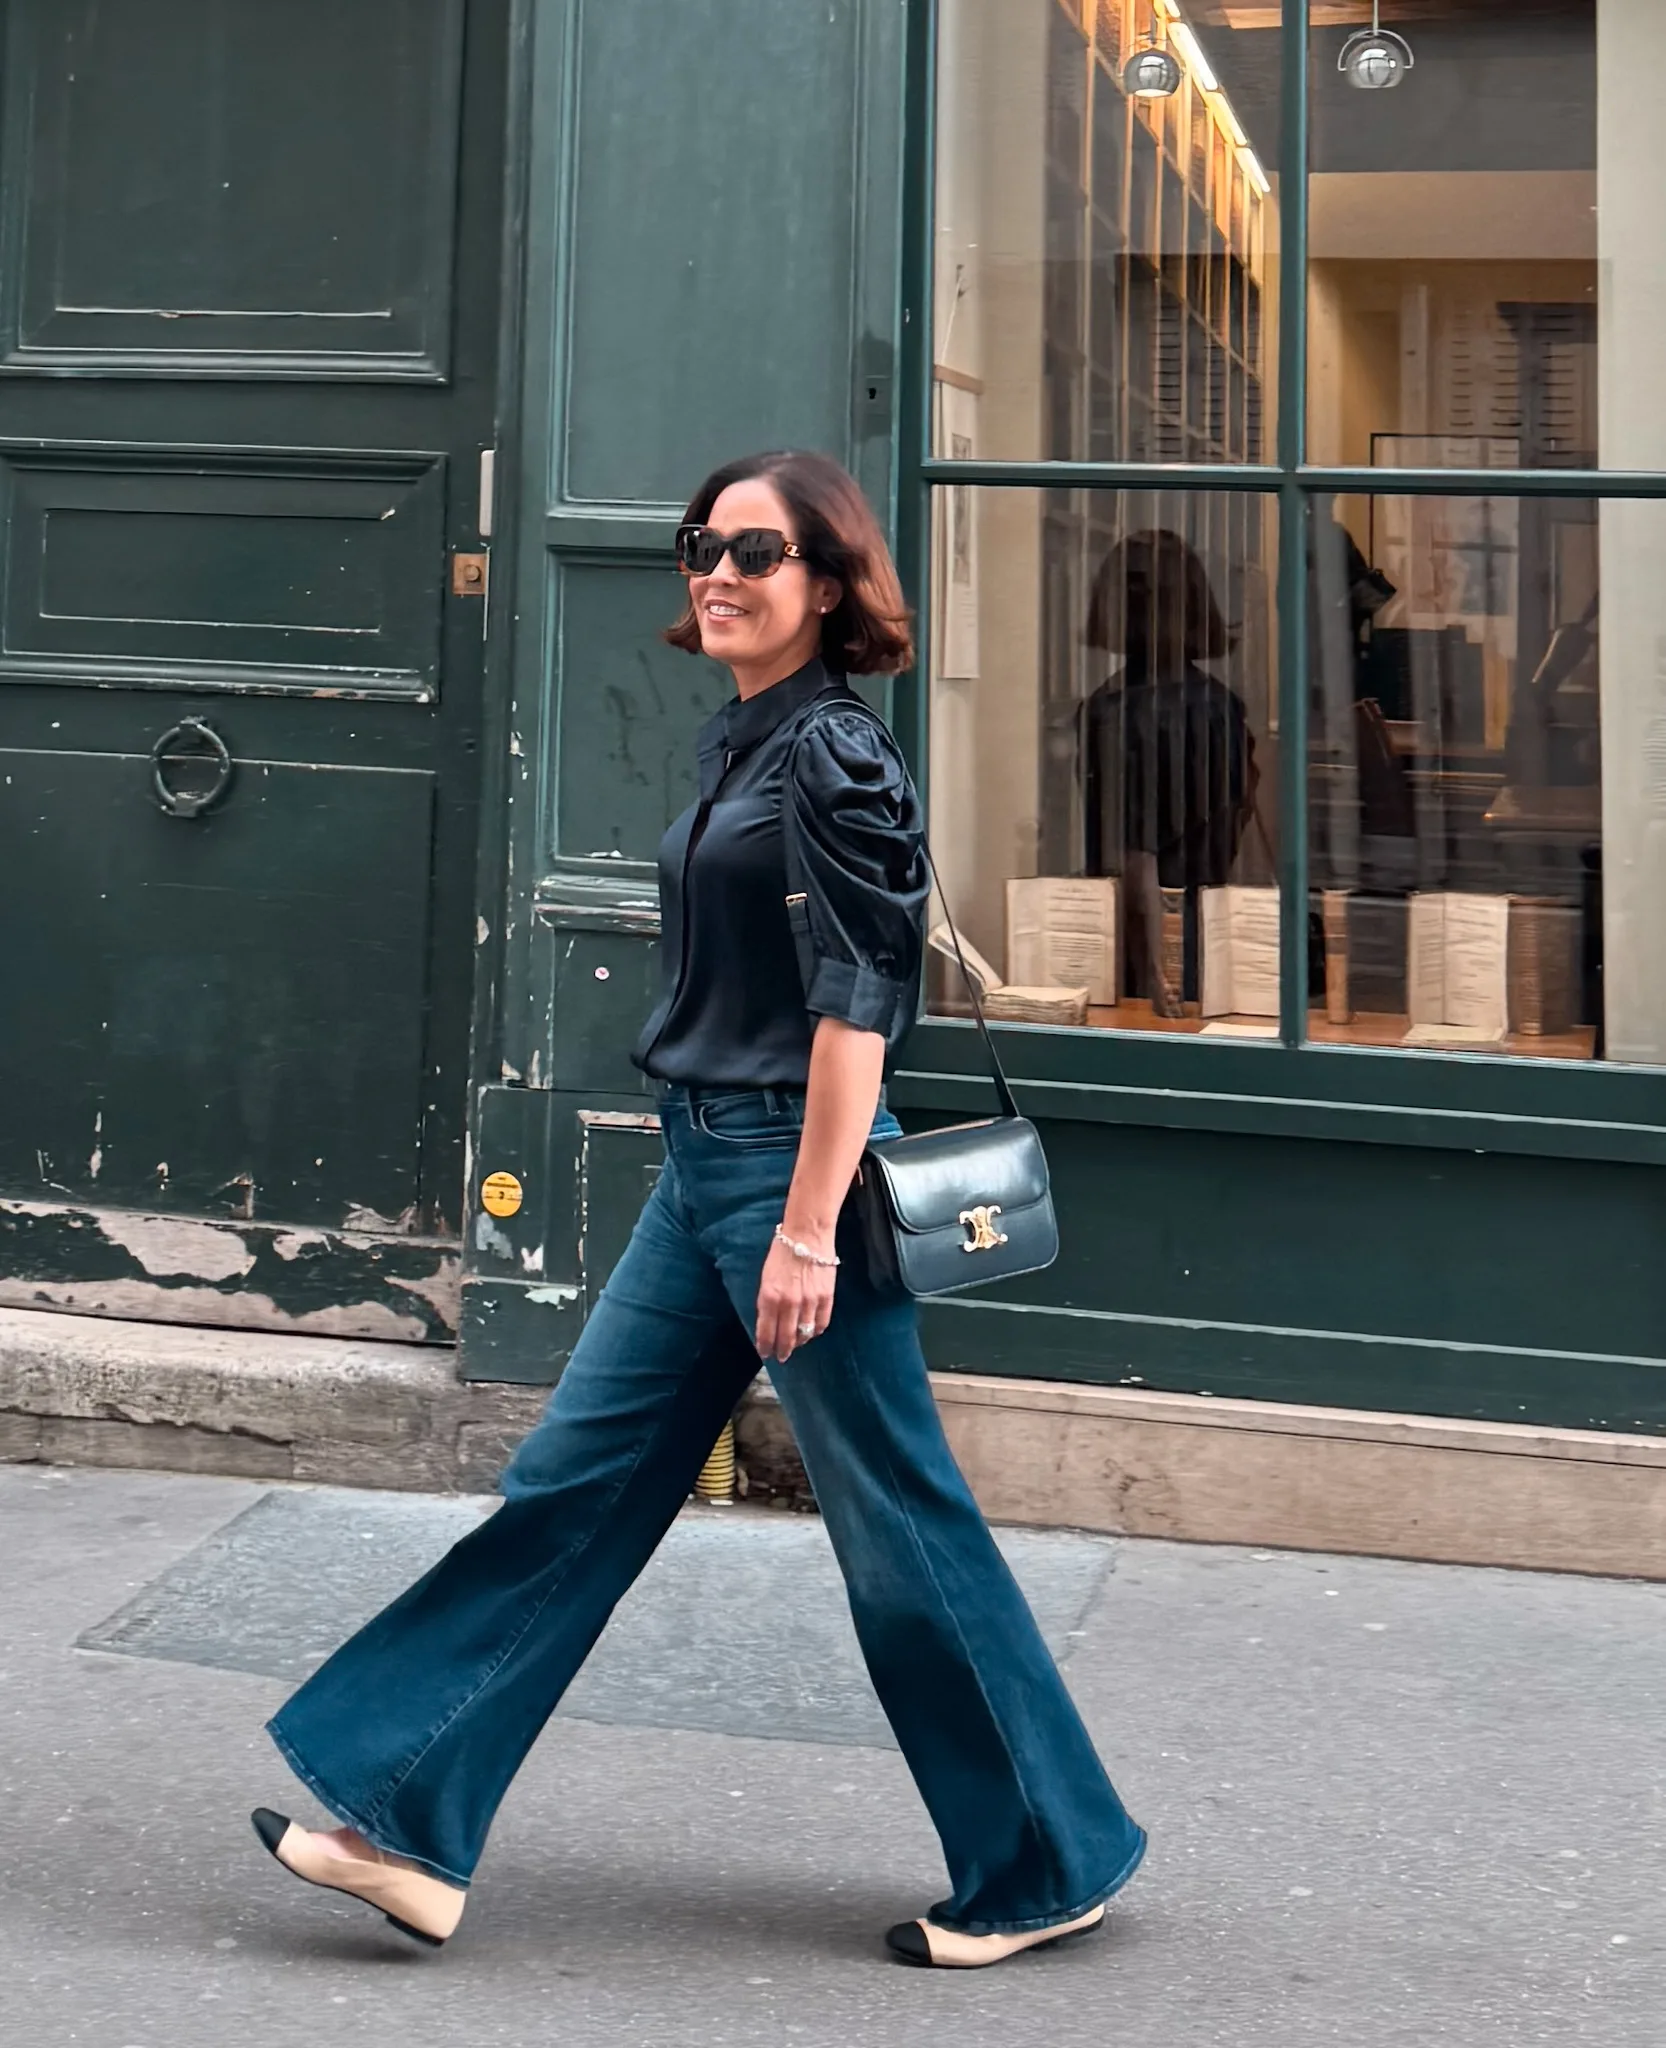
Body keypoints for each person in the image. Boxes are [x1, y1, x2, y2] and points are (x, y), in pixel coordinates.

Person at [249, 449, 1147, 1970]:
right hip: (706, 1167)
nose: (716, 574)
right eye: (699, 549)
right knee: (576, 1482)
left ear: (828, 581)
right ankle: (409, 1819)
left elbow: (862, 1014)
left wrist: (804, 1230)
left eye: (754, 550)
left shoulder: (836, 759)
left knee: (895, 1525)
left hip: (785, 1176)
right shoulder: (746, 741)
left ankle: (1048, 1855)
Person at [1081, 529, 1260, 1011]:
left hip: (1142, 950)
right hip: (1214, 928)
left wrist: (1154, 973)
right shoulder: (1223, 707)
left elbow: (1135, 851)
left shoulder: (1107, 710)